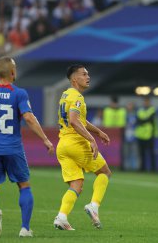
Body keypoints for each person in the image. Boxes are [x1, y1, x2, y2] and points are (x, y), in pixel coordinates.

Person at [0, 56, 55, 237]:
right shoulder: (19, 93)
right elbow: (28, 118)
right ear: (12, 72)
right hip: (13, 148)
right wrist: (45, 139)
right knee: (24, 185)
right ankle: (25, 229)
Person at [53, 64, 111, 231]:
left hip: (62, 146)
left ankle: (62, 217)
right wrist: (92, 139)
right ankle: (94, 206)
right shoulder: (77, 97)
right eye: (84, 74)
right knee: (104, 172)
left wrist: (99, 131)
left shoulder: (65, 95)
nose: (88, 77)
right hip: (76, 143)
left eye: (88, 74)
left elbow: (80, 120)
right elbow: (73, 121)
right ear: (74, 79)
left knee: (76, 184)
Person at [135, 96, 158, 172]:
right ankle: (142, 169)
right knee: (141, 153)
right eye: (145, 101)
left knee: (151, 153)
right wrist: (145, 121)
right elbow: (138, 121)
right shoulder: (140, 111)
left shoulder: (153, 110)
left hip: (150, 135)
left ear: (149, 102)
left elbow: (150, 120)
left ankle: (153, 169)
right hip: (140, 135)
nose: (146, 103)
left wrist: (143, 121)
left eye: (147, 101)